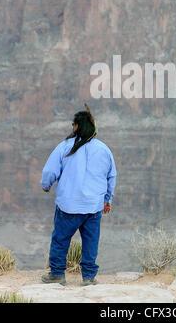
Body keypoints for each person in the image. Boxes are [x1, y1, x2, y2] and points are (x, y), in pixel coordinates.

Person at [40, 104, 117, 286]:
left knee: (60, 239)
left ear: (75, 127)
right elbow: (111, 176)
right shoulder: (104, 149)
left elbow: (49, 171)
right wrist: (108, 200)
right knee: (91, 242)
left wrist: (46, 185)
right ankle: (88, 277)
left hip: (68, 206)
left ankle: (57, 274)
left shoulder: (64, 146)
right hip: (93, 206)